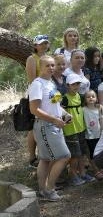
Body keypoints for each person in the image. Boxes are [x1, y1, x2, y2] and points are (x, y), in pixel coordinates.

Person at [28, 55, 71, 201]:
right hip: (45, 126)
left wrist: (65, 114)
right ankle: (50, 189)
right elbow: (34, 109)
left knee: (45, 159)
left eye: (53, 65)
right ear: (41, 67)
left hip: (54, 124)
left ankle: (43, 190)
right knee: (65, 156)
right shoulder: (37, 84)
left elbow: (55, 105)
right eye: (48, 65)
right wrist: (54, 120)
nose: (51, 68)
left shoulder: (50, 83)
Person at [61, 74, 95, 186]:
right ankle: (73, 175)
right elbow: (61, 112)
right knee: (74, 155)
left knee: (81, 154)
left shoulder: (80, 97)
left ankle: (83, 173)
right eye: (73, 84)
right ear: (68, 85)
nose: (76, 86)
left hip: (81, 129)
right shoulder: (65, 98)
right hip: (70, 130)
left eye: (78, 84)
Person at [25, 34, 50, 168]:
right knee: (33, 126)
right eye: (41, 43)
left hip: (48, 95)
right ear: (35, 45)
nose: (44, 45)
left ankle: (44, 155)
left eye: (46, 43)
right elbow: (32, 80)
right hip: (36, 95)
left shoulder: (47, 59)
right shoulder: (32, 58)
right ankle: (32, 157)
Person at [82, 90, 103, 180]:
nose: (91, 98)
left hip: (98, 134)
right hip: (89, 136)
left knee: (99, 152)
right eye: (88, 97)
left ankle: (101, 168)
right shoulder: (83, 110)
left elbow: (101, 121)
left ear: (96, 99)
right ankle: (96, 170)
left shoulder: (99, 109)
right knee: (91, 154)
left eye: (93, 96)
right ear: (85, 99)